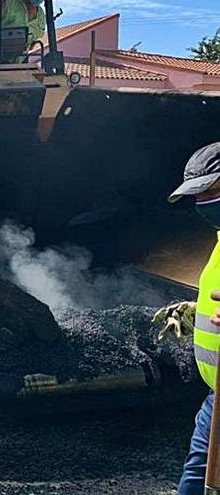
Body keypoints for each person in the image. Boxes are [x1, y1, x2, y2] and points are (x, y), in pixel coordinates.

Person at [154, 142, 220, 495]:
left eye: (211, 192)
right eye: (198, 196)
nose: (204, 204)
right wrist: (197, 313)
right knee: (195, 479)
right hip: (217, 396)